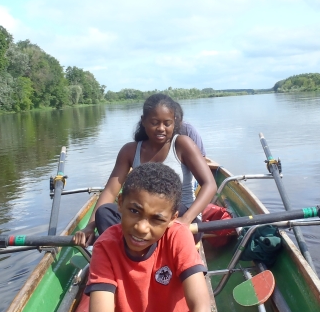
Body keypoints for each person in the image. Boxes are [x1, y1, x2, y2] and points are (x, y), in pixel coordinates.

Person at [85, 162, 212, 312]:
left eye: (157, 219)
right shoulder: (105, 247)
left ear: (172, 219)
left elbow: (201, 305)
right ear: (120, 203)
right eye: (134, 211)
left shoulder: (178, 236)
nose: (141, 228)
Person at [74, 93, 216, 247]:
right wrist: (90, 226)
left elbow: (210, 184)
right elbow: (110, 192)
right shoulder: (130, 151)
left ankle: (130, 249)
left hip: (177, 218)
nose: (161, 128)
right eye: (154, 122)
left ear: (174, 123)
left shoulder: (182, 144)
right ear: (143, 121)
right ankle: (130, 251)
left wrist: (185, 219)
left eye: (167, 123)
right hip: (143, 220)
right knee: (105, 213)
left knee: (168, 210)